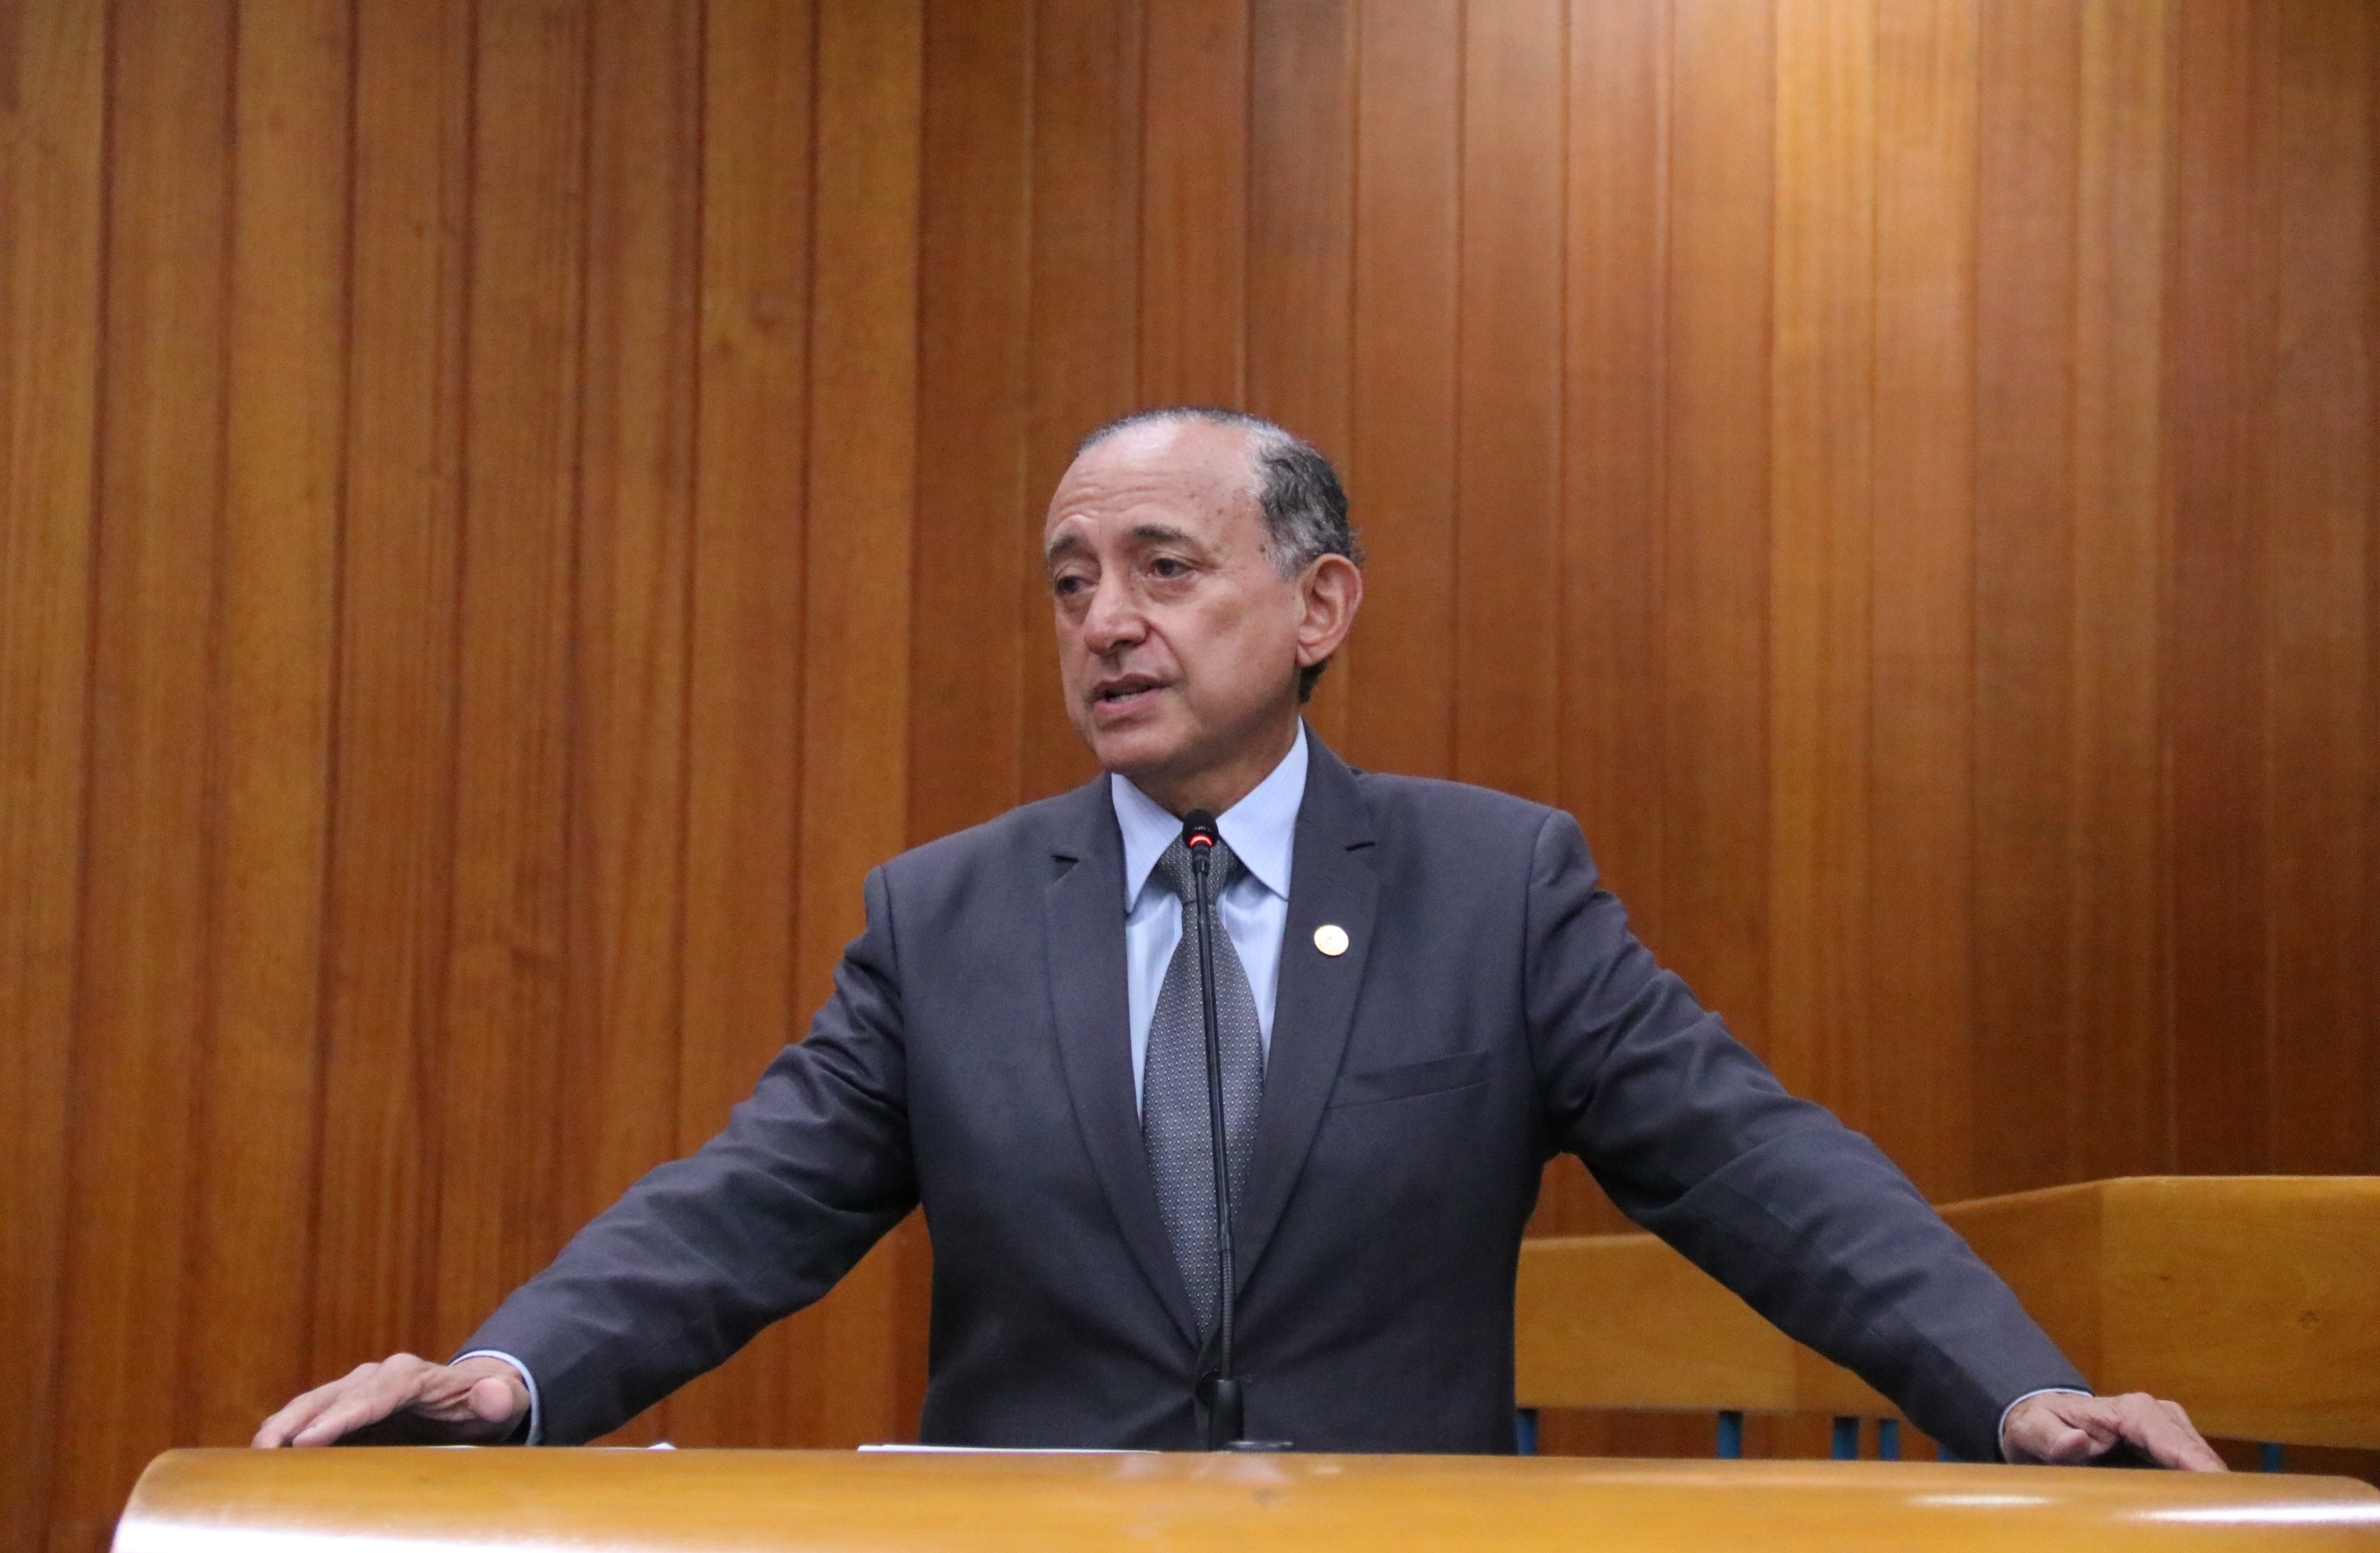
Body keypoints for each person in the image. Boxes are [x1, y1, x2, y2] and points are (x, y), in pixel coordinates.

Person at [258, 408, 2221, 1469]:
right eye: (1069, 582)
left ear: (1318, 607)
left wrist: (2016, 1388)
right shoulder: (945, 913)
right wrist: (508, 1372)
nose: (1104, 619)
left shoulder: (1496, 884)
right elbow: (743, 1204)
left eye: (1163, 566)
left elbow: (1759, 1167)